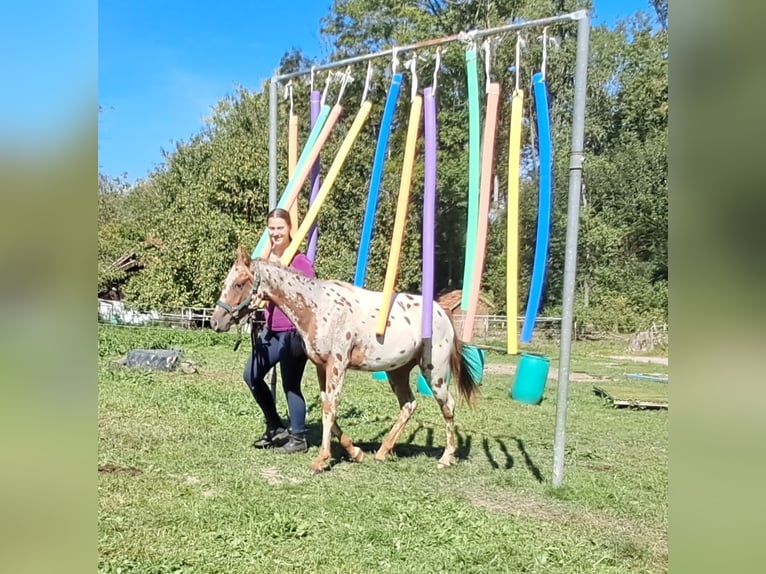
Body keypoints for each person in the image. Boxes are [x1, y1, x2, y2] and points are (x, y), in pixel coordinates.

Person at [243, 207, 315, 454]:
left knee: (290, 384)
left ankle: (299, 438)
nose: (275, 233)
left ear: (289, 229)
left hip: (293, 333)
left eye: (280, 228)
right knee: (251, 374)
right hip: (272, 331)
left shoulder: (300, 261)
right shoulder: (264, 260)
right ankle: (275, 424)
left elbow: (308, 297)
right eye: (271, 228)